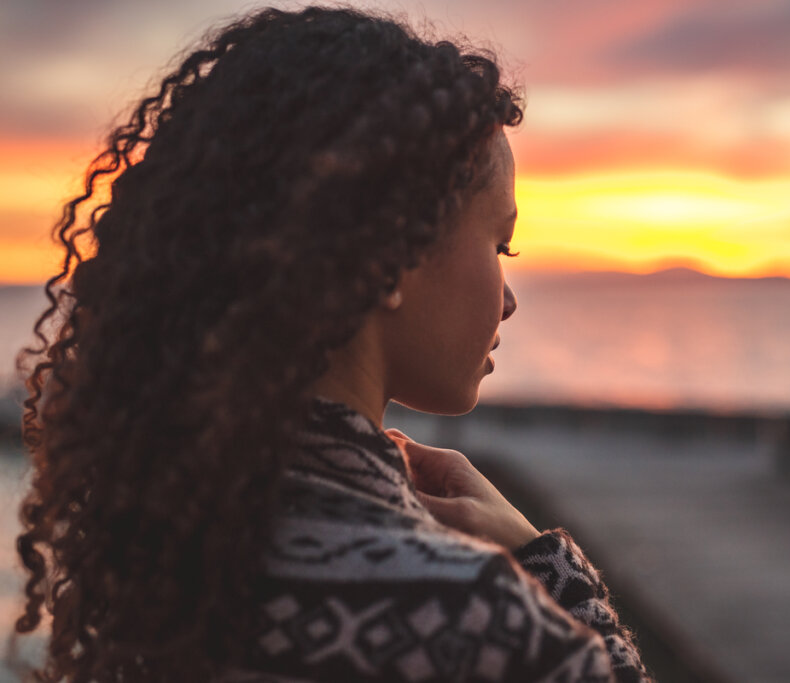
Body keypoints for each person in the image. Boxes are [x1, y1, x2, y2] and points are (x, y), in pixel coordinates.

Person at [13, 6, 652, 682]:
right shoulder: (484, 625)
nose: (510, 297)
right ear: (390, 256)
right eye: (501, 244)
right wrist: (547, 567)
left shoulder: (163, 550)